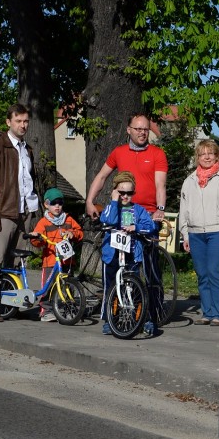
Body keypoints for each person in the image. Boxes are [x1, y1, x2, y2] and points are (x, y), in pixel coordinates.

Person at [0, 103, 41, 322]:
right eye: (18, 121)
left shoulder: (27, 149)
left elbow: (28, 182)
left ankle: (11, 305)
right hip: (3, 212)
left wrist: (34, 209)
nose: (23, 125)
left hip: (25, 212)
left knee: (17, 262)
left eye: (25, 122)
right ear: (8, 122)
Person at [179, 139, 219, 327]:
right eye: (202, 154)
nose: (206, 157)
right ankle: (206, 312)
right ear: (197, 157)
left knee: (214, 271)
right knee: (201, 273)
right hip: (195, 232)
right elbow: (184, 210)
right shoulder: (189, 181)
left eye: (210, 153)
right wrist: (185, 234)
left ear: (217, 156)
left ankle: (218, 313)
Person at [99, 172, 157, 336]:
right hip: (112, 254)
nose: (125, 196)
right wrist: (114, 200)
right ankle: (109, 319)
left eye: (129, 193)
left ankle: (140, 318)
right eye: (121, 192)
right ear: (115, 191)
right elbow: (109, 221)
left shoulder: (139, 210)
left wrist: (135, 227)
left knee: (134, 287)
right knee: (110, 287)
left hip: (132, 254)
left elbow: (151, 227)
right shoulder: (111, 207)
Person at [84, 112, 167, 222]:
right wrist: (89, 201)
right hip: (124, 211)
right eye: (138, 129)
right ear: (129, 130)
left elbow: (160, 184)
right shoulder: (119, 152)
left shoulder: (157, 153)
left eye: (146, 129)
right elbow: (101, 176)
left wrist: (160, 209)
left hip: (148, 213)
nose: (142, 133)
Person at [30, 188, 84, 322]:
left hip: (67, 260)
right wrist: (36, 237)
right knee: (48, 287)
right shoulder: (44, 222)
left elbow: (79, 232)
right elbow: (36, 240)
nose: (57, 206)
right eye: (54, 203)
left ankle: (69, 308)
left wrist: (73, 233)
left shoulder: (68, 219)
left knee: (68, 285)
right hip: (51, 260)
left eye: (60, 203)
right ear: (46, 205)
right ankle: (46, 311)